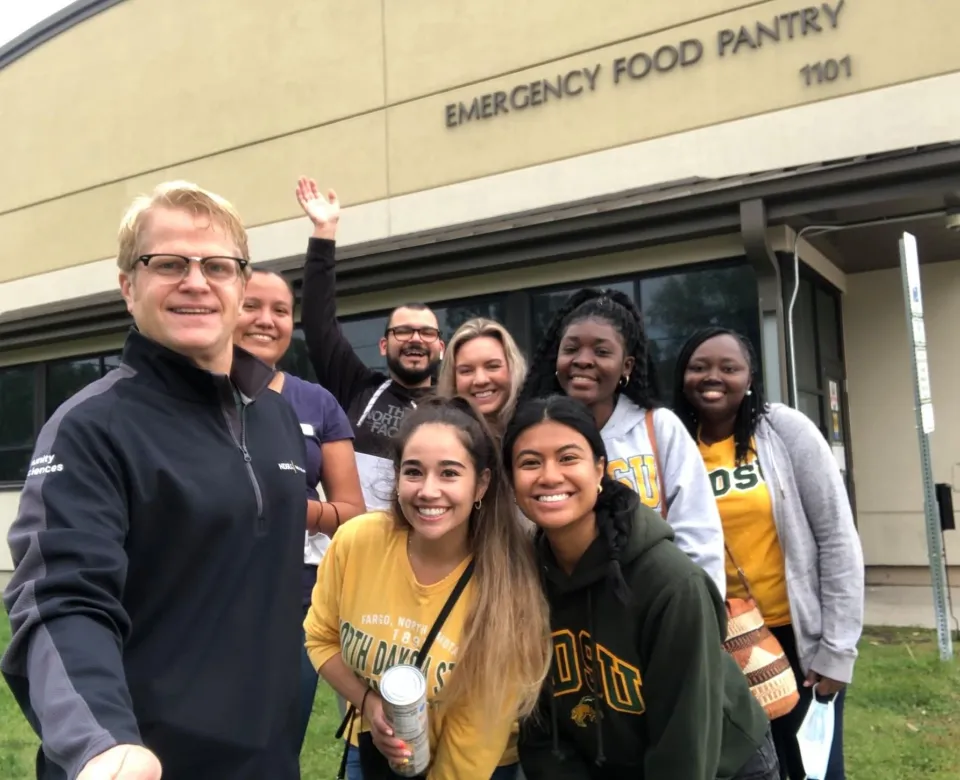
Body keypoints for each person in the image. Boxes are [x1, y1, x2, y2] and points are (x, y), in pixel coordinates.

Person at [2, 181, 308, 780]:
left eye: (217, 265)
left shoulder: (277, 418)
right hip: (139, 765)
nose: (195, 281)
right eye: (167, 263)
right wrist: (100, 742)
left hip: (268, 760)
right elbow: (61, 601)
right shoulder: (90, 427)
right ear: (128, 286)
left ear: (241, 286)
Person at [503, 395, 779, 780]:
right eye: (530, 462)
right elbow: (539, 727)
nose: (549, 476)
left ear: (600, 469)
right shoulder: (523, 581)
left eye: (568, 458)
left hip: (718, 767)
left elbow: (683, 748)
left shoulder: (671, 584)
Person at [304, 396, 552, 780]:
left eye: (450, 473)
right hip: (371, 751)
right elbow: (320, 639)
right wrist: (370, 705)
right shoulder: (357, 542)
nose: (428, 491)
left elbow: (472, 748)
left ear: (481, 484)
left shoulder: (505, 585)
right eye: (414, 472)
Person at [674, 327, 865, 780]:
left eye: (728, 367)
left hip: (795, 639)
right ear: (682, 377)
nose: (712, 377)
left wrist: (837, 651)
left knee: (812, 771)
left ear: (750, 377)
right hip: (716, 642)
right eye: (698, 367)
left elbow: (837, 538)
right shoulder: (675, 441)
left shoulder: (783, 430)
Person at [234, 268, 366, 750]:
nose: (265, 320)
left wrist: (295, 506)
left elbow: (352, 511)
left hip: (296, 593)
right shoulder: (193, 394)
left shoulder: (318, 402)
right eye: (251, 306)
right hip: (212, 587)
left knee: (277, 735)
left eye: (281, 311)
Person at [519, 288, 725, 595]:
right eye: (571, 348)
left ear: (626, 366)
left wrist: (699, 608)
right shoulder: (535, 433)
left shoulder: (659, 427)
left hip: (656, 608)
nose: (583, 360)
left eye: (601, 352)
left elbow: (699, 533)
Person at [296, 176, 445, 510]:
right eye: (403, 332)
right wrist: (324, 234)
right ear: (383, 345)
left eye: (426, 333)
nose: (415, 340)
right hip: (357, 545)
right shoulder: (357, 387)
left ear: (441, 348)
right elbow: (319, 324)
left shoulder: (453, 407)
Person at [435, 317, 527, 436]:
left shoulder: (538, 429)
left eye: (492, 366)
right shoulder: (438, 440)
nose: (480, 380)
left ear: (513, 368)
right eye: (466, 371)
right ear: (452, 379)